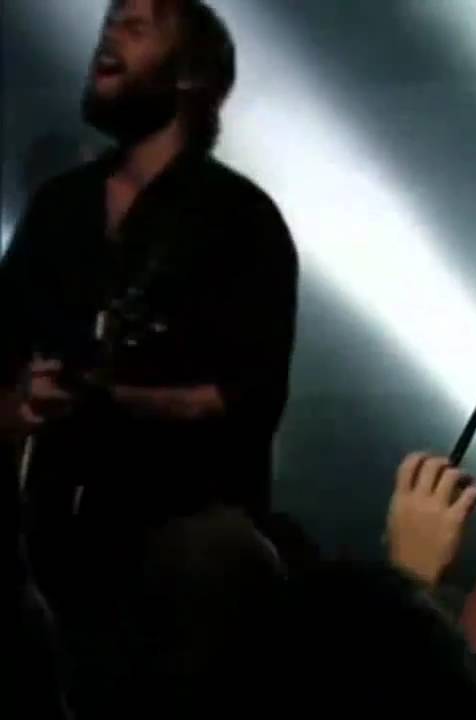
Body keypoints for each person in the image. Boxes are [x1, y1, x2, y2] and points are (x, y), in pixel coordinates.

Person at [0, 0, 297, 713]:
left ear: (192, 74)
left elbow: (249, 399)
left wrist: (110, 400)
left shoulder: (242, 222)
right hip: (42, 526)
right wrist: (21, 403)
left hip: (177, 536)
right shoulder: (60, 208)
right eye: (111, 21)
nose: (110, 34)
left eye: (138, 26)